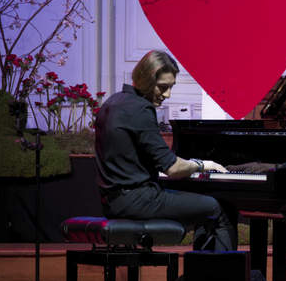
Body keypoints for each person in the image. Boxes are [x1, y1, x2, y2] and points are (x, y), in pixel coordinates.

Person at [95, 50, 236, 251]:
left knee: (202, 205)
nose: (167, 94)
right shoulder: (141, 109)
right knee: (218, 208)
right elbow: (173, 168)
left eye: (170, 87)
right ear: (145, 80)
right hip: (137, 200)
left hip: (112, 201)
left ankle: (204, 276)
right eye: (162, 87)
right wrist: (204, 164)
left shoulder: (113, 102)